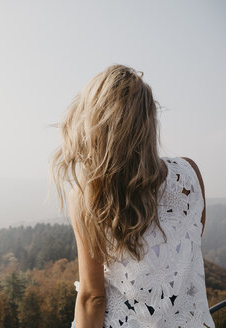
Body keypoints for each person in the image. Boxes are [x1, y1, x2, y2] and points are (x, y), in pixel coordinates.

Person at [50, 64, 215, 327]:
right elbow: (190, 245)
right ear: (148, 123)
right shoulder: (189, 174)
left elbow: (93, 298)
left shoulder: (87, 198)